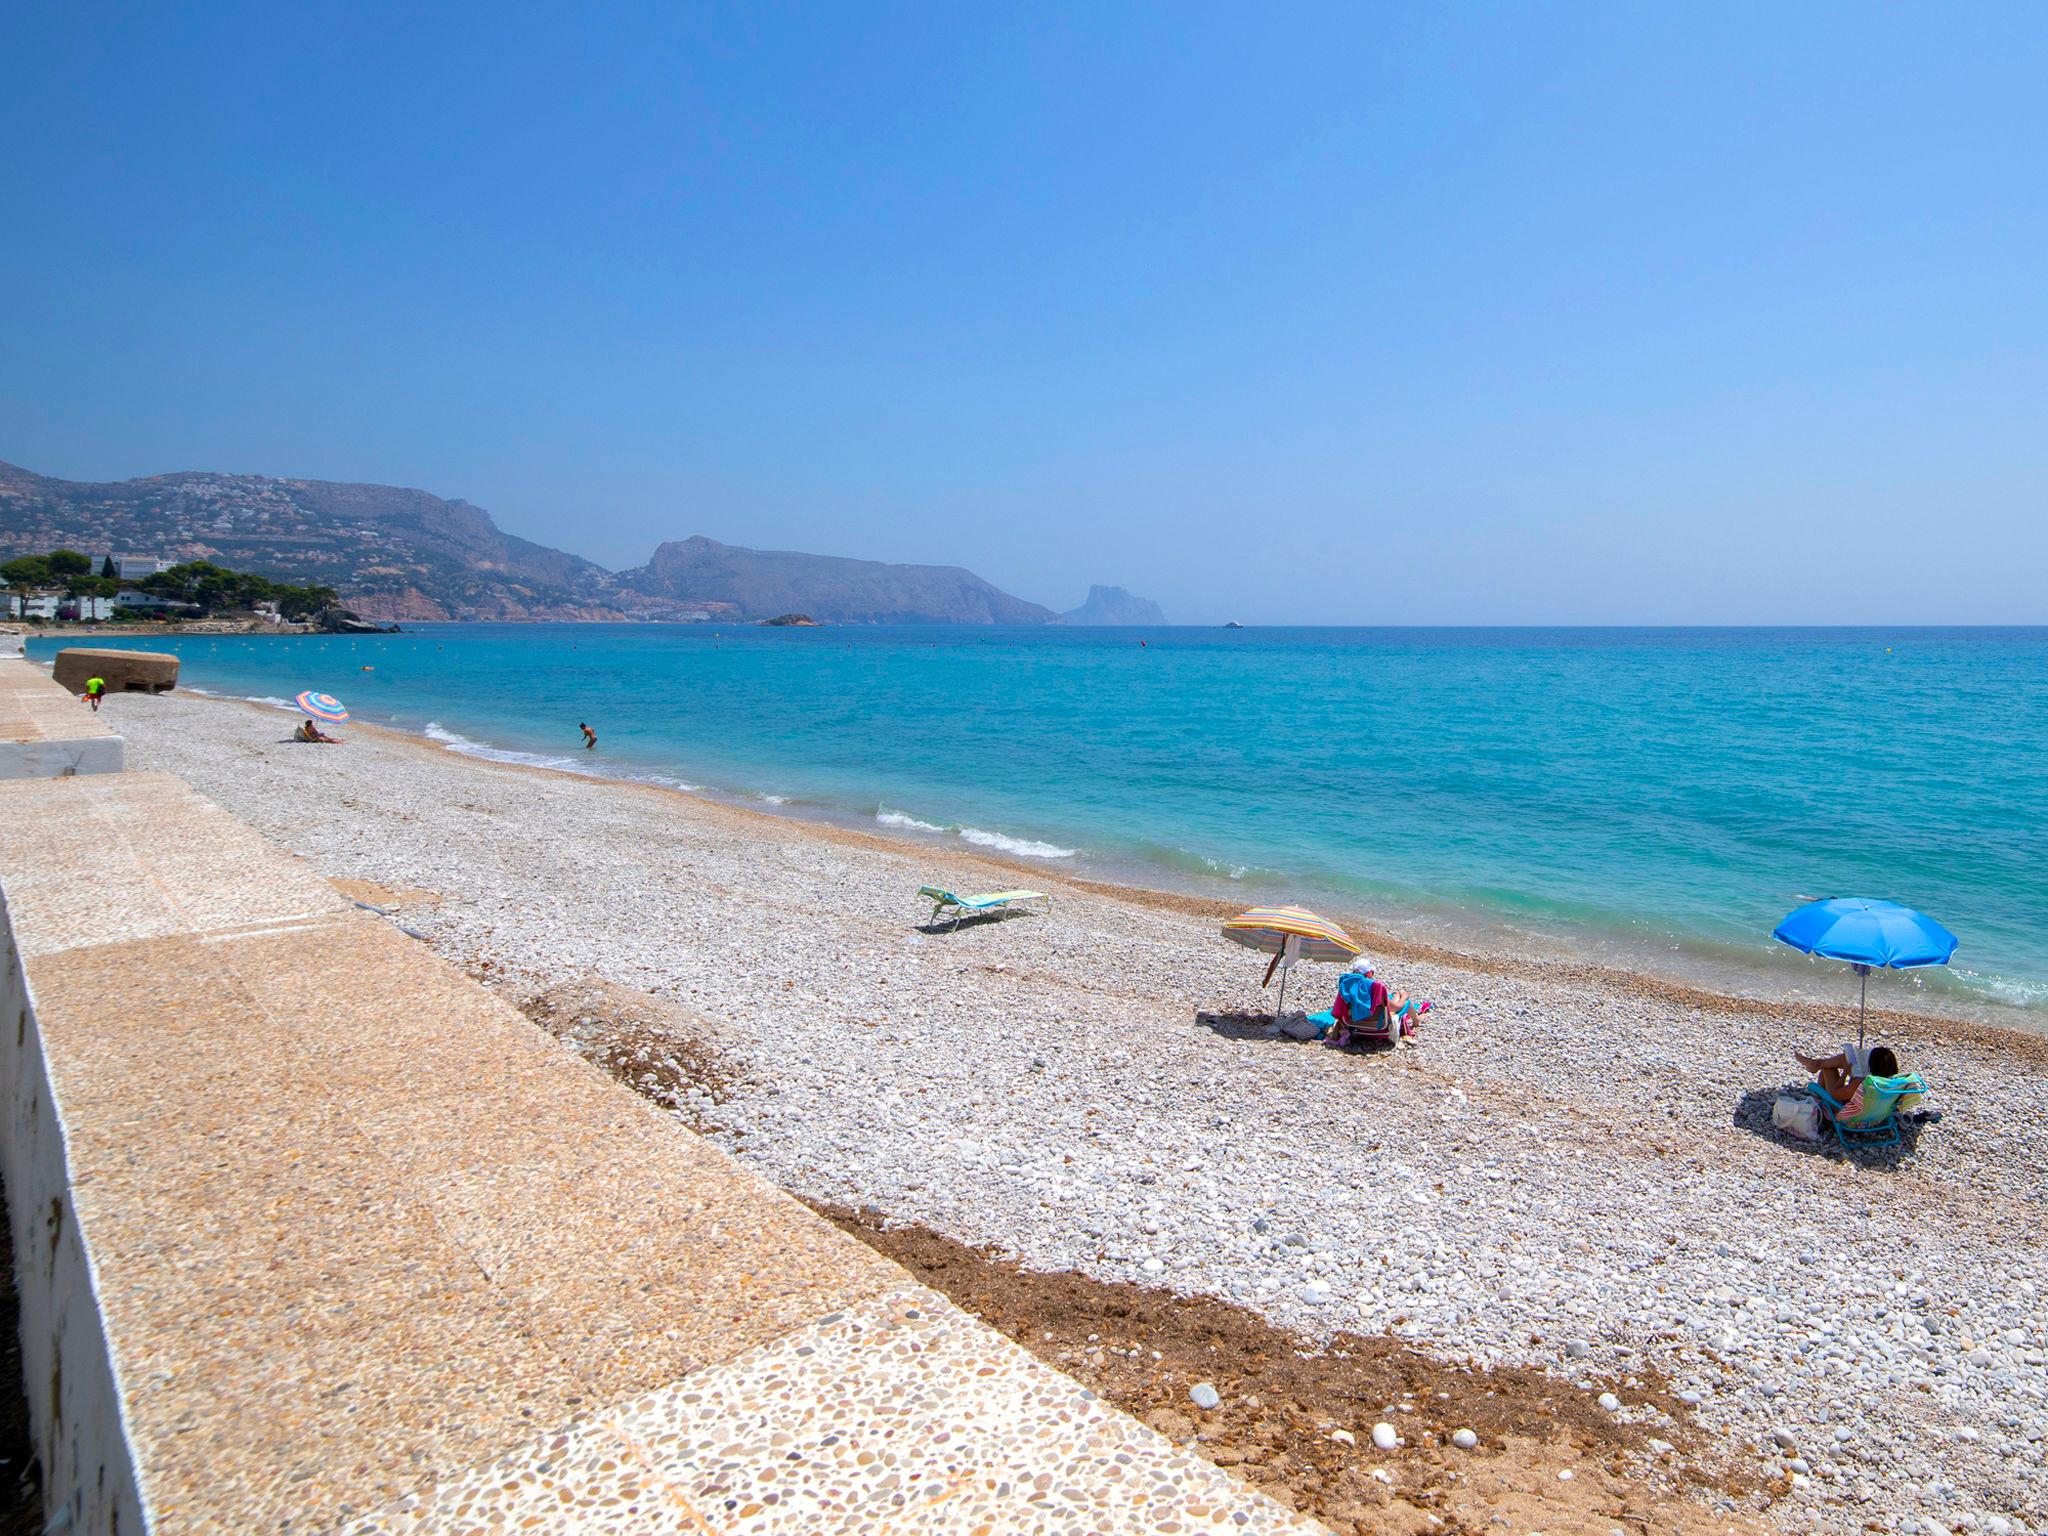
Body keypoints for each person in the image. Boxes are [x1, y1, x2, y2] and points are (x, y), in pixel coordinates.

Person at [1795, 1043, 1899, 1122]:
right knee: (1850, 1065)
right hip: (1875, 1117)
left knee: (1828, 1070)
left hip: (1849, 1119)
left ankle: (1817, 1067)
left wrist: (1845, 1074)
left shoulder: (1864, 1083)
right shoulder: (1895, 1083)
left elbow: (1834, 1094)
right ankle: (1817, 1064)